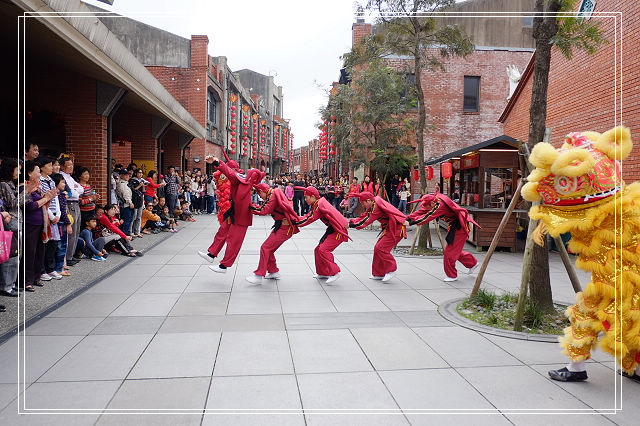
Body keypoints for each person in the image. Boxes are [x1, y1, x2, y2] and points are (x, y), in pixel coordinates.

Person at [203, 155, 264, 273]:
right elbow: (229, 173)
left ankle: (223, 266)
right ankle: (211, 254)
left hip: (241, 217)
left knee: (233, 242)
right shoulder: (241, 180)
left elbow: (230, 173)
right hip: (233, 212)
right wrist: (217, 163)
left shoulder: (245, 182)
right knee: (223, 231)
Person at [407, 193, 480, 281]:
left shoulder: (440, 206)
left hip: (460, 226)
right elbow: (422, 211)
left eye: (426, 206)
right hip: (454, 225)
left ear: (432, 204)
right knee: (453, 250)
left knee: (449, 252)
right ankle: (472, 263)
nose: (425, 208)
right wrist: (407, 218)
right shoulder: (433, 202)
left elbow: (428, 216)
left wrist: (411, 223)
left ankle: (452, 275)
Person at [292, 186, 350, 283]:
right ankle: (323, 273)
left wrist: (294, 221)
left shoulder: (319, 205)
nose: (305, 199)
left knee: (323, 250)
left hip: (339, 230)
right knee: (318, 249)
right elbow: (308, 216)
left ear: (313, 197)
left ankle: (335, 272)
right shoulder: (318, 203)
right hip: (333, 229)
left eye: (307, 197)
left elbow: (309, 218)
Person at [245, 183, 300, 284]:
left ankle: (259, 275)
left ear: (262, 191)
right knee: (268, 249)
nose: (260, 197)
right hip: (282, 226)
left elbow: (264, 210)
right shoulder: (273, 193)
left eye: (260, 194)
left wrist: (250, 207)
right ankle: (273, 271)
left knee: (265, 248)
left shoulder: (272, 195)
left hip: (285, 228)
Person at [348, 191, 408, 281]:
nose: (362, 206)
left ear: (368, 200)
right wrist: (351, 221)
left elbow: (367, 219)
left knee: (381, 248)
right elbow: (365, 216)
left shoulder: (375, 207)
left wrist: (351, 225)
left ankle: (391, 270)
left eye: (362, 203)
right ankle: (378, 273)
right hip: (389, 228)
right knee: (377, 248)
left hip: (396, 229)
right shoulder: (374, 203)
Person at [24, 161, 58, 291]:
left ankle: (36, 277)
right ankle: (27, 280)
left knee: (39, 252)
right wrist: (45, 199)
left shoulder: (37, 188)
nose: (39, 174)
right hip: (30, 223)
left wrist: (49, 196)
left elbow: (41, 202)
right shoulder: (24, 187)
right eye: (37, 171)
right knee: (30, 253)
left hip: (40, 223)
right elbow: (31, 206)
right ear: (29, 173)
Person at [198, 170, 232, 263]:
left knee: (232, 241)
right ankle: (212, 255)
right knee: (222, 233)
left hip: (234, 213)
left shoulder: (235, 179)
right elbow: (220, 186)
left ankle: (221, 262)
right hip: (229, 212)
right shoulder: (228, 179)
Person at [0, 159, 21, 297]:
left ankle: (11, 284)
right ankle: (6, 286)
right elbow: (13, 203)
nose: (19, 172)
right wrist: (28, 191)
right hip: (9, 222)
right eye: (17, 169)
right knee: (11, 255)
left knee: (16, 255)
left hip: (16, 221)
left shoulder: (13, 184)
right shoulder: (4, 184)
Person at [59, 156, 83, 266]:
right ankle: (67, 257)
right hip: (70, 204)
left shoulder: (70, 177)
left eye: (72, 165)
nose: (71, 167)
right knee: (71, 231)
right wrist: (76, 190)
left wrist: (76, 190)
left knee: (76, 230)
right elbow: (72, 193)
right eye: (69, 165)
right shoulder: (62, 176)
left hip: (76, 203)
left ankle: (71, 255)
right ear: (62, 166)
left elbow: (81, 189)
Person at [116, 168, 134, 236]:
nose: (127, 176)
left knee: (128, 220)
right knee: (127, 221)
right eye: (125, 175)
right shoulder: (122, 184)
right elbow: (125, 195)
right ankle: (125, 235)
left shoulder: (126, 183)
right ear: (121, 175)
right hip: (126, 205)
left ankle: (127, 234)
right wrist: (130, 202)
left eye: (128, 174)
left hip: (127, 205)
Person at [129, 168, 146, 237]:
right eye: (139, 172)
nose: (141, 174)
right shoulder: (132, 180)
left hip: (140, 200)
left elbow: (143, 191)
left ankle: (137, 231)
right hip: (134, 200)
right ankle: (131, 231)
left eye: (141, 173)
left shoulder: (142, 181)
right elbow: (132, 190)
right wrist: (139, 185)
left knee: (139, 217)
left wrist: (143, 186)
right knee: (134, 217)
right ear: (136, 173)